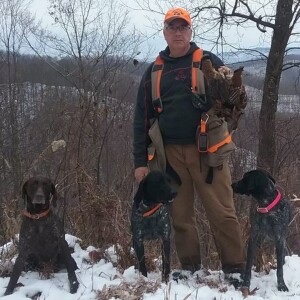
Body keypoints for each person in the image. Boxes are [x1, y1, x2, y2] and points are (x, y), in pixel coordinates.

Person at [133, 7, 245, 278]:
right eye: (172, 27)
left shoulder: (206, 59)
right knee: (181, 217)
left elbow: (233, 96)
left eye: (182, 27)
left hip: (209, 151)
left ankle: (235, 269)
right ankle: (190, 269)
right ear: (165, 33)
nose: (178, 32)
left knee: (222, 211)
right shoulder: (154, 70)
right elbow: (142, 118)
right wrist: (140, 164)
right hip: (170, 155)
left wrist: (228, 99)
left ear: (190, 31)